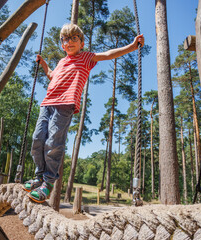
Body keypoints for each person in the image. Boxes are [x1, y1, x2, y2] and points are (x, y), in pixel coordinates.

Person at [23, 23, 144, 203]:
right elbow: (51, 75)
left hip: (65, 104)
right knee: (37, 139)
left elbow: (109, 54)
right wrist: (43, 63)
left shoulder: (86, 58)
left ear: (82, 44)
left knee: (53, 142)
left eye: (74, 38)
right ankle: (39, 177)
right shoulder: (62, 62)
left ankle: (48, 183)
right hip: (47, 103)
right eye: (65, 39)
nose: (69, 42)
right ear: (62, 44)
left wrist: (132, 46)